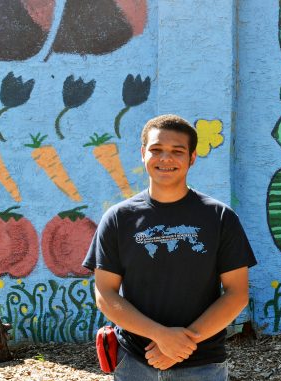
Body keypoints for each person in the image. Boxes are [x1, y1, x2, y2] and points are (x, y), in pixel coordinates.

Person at [83, 114, 256, 380]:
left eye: (177, 151)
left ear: (192, 157)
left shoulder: (220, 217)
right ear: (143, 154)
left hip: (203, 362)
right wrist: (160, 336)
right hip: (134, 362)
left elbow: (236, 293)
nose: (166, 159)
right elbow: (105, 293)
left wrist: (181, 344)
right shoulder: (118, 218)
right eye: (156, 150)